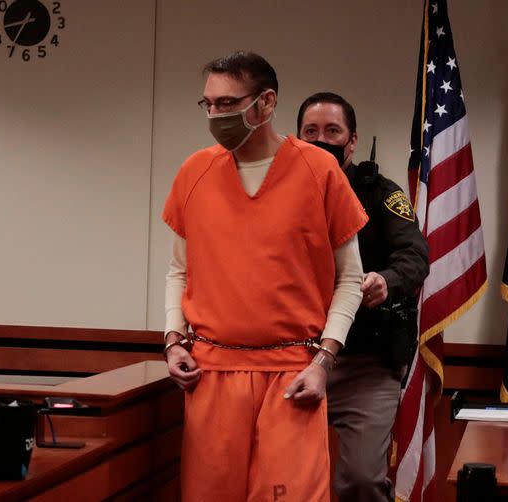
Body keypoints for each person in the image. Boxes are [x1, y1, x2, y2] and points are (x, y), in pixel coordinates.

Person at [161, 53, 368, 502]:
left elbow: (350, 279)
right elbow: (180, 269)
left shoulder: (319, 171)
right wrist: (173, 339)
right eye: (209, 105)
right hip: (211, 373)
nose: (216, 115)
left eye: (228, 103)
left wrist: (323, 363)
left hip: (293, 374)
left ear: (267, 102)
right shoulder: (194, 172)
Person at [297, 92, 430, 502]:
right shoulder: (279, 193)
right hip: (292, 356)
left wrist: (386, 281)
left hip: (365, 361)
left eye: (332, 131)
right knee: (281, 480)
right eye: (311, 132)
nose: (321, 140)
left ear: (352, 141)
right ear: (296, 138)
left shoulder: (378, 192)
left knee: (360, 482)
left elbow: (415, 255)